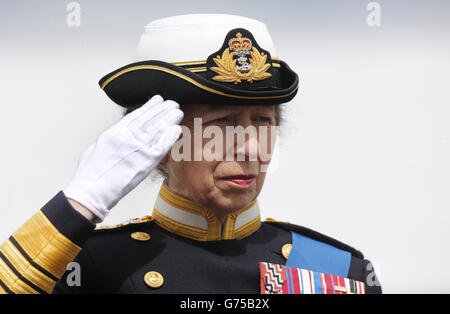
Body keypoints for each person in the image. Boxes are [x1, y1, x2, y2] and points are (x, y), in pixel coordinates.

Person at [0, 14, 381, 294]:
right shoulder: (93, 268)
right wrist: (79, 204)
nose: (250, 147)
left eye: (263, 122)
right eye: (222, 124)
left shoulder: (341, 273)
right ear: (160, 143)